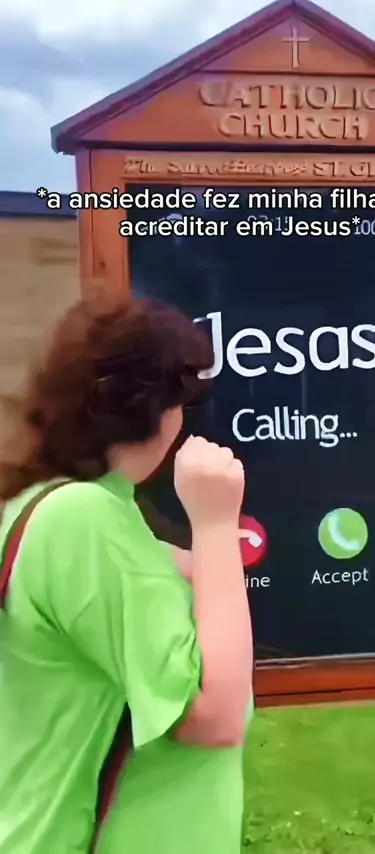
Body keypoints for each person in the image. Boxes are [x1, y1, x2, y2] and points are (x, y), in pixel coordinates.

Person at [0, 297, 253, 854]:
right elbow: (213, 717)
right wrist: (215, 523)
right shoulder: (84, 521)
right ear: (164, 410)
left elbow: (181, 591)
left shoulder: (45, 510)